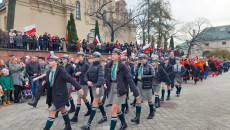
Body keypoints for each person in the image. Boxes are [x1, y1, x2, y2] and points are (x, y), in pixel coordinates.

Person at [42, 55, 83, 130]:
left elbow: (69, 78)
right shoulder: (49, 71)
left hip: (60, 94)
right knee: (62, 109)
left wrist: (78, 87)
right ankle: (68, 126)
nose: (49, 62)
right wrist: (45, 81)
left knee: (52, 111)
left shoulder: (61, 70)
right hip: (52, 95)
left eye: (52, 61)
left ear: (57, 62)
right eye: (49, 61)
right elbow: (50, 80)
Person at [104, 48, 139, 130]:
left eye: (115, 54)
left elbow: (130, 80)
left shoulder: (123, 66)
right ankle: (124, 123)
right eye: (112, 54)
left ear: (119, 55)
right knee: (118, 109)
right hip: (111, 89)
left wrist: (136, 93)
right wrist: (105, 82)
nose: (113, 56)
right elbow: (105, 77)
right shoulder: (108, 65)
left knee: (113, 111)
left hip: (120, 89)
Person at [81, 52, 107, 130]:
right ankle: (104, 116)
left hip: (98, 86)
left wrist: (98, 86)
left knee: (94, 103)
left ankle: (89, 124)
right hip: (92, 86)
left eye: (95, 57)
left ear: (99, 58)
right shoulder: (91, 66)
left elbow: (101, 77)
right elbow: (85, 75)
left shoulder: (100, 66)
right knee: (99, 101)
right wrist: (87, 81)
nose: (94, 58)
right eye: (93, 57)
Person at [131, 53, 155, 124]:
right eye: (140, 59)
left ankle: (151, 113)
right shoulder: (138, 66)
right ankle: (137, 118)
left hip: (147, 85)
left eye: (142, 59)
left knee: (149, 100)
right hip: (139, 84)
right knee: (138, 99)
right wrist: (135, 76)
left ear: (145, 59)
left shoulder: (149, 66)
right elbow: (137, 73)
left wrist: (143, 77)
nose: (140, 61)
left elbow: (153, 75)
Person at [70, 52, 91, 123]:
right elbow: (73, 73)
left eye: (80, 56)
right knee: (83, 97)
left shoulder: (86, 65)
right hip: (78, 83)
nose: (79, 57)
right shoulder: (77, 64)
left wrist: (86, 79)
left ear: (83, 57)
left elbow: (88, 74)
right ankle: (89, 109)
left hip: (84, 84)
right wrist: (76, 74)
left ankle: (75, 116)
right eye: (78, 56)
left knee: (79, 98)